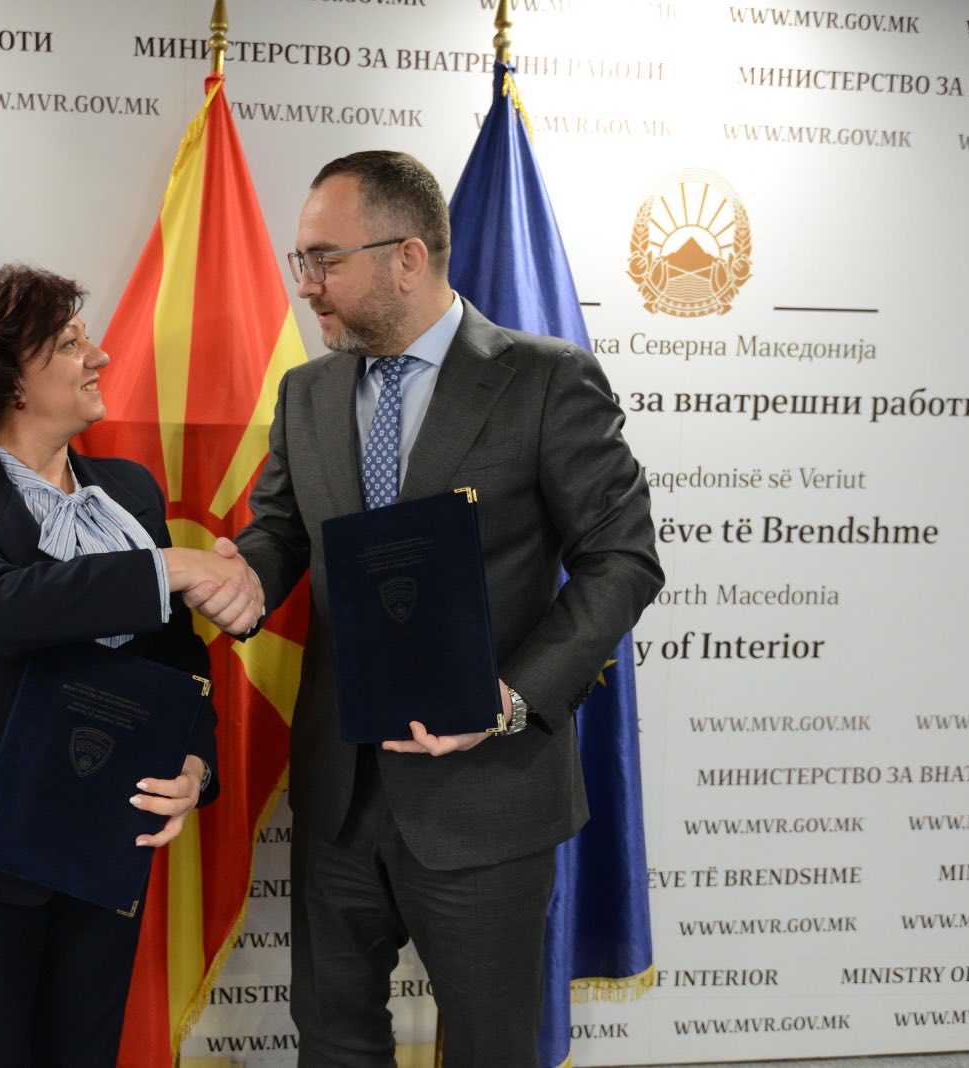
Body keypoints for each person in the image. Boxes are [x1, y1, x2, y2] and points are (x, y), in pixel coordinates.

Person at [192, 151, 663, 1066]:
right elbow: (282, 532)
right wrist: (240, 577)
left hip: (488, 798)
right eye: (301, 261)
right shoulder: (307, 391)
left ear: (408, 257)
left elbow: (622, 559)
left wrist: (508, 698)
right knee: (333, 1045)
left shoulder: (545, 380)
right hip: (339, 796)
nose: (306, 285)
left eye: (325, 260)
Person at [0, 264, 262, 1066]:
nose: (100, 356)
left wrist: (195, 764)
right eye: (69, 343)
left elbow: (175, 657)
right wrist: (171, 567)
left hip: (96, 848)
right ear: (10, 381)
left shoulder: (129, 492)